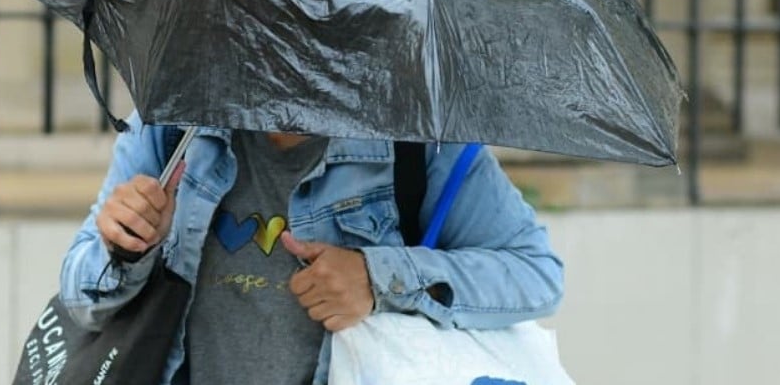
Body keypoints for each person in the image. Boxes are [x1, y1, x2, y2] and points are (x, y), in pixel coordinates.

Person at [59, 112, 564, 385]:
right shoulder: (172, 128)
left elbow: (535, 273)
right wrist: (125, 244)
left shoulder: (421, 142)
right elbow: (83, 298)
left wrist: (378, 276)